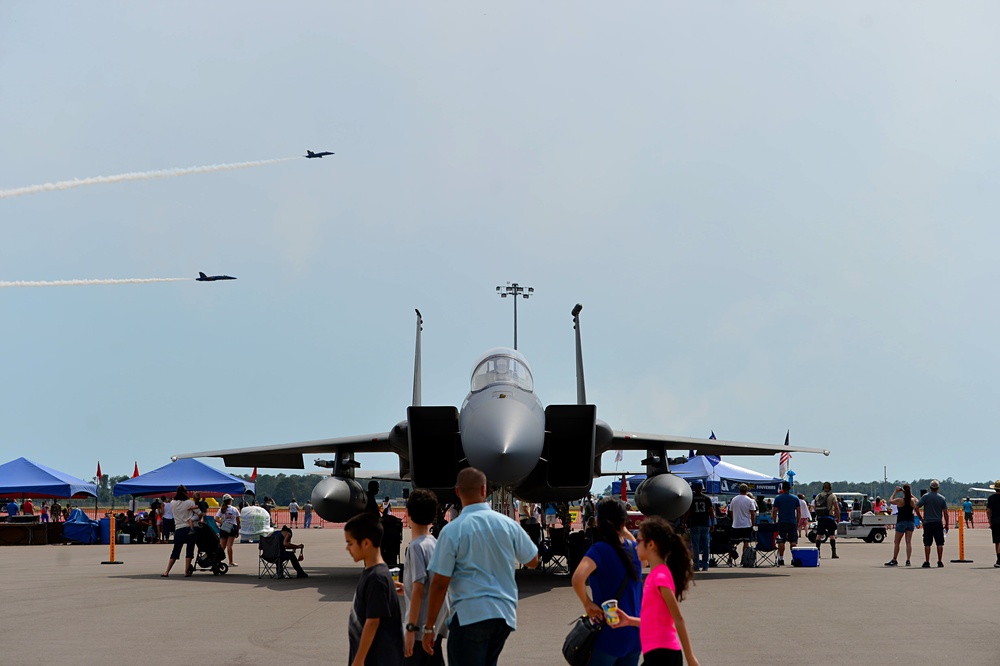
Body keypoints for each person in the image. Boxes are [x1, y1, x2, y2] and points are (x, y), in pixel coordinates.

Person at [423, 467, 539, 665]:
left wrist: (429, 627)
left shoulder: (452, 531)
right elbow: (533, 560)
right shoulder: (508, 524)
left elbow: (440, 583)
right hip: (503, 616)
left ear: (457, 492)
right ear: (485, 490)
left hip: (470, 615)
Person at [614, 516, 699, 666]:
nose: (635, 546)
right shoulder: (655, 575)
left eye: (638, 541)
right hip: (656, 653)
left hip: (664, 654)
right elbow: (656, 620)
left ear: (651, 544)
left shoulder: (660, 577)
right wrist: (629, 620)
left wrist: (691, 658)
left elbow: (678, 619)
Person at [571, 497, 642, 666]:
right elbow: (631, 541)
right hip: (635, 632)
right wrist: (622, 528)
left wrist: (587, 604)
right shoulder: (635, 550)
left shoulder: (599, 550)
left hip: (610, 633)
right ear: (623, 521)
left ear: (599, 522)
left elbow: (578, 578)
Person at [396, 488, 449, 665]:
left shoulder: (415, 547)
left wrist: (410, 629)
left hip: (419, 630)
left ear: (408, 514)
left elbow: (419, 588)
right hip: (436, 626)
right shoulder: (434, 543)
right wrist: (407, 589)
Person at [344, 512, 403, 666]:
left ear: (366, 543)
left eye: (350, 543)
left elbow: (373, 622)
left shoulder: (376, 577)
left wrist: (359, 659)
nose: (347, 548)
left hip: (376, 659)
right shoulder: (373, 573)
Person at [161, 485, 197, 577]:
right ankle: (186, 571)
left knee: (176, 550)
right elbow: (198, 512)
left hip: (178, 528)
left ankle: (167, 571)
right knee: (189, 550)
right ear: (185, 492)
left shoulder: (172, 502)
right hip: (189, 528)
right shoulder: (190, 503)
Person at [915, 479, 949, 568]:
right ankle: (940, 561)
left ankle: (927, 561)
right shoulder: (942, 498)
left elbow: (916, 507)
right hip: (938, 522)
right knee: (940, 543)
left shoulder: (925, 497)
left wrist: (920, 518)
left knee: (927, 543)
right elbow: (945, 512)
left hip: (928, 522)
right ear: (938, 488)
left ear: (930, 488)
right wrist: (947, 524)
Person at [685, 482, 714, 572]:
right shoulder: (707, 498)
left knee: (695, 545)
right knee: (706, 545)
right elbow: (711, 513)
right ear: (702, 488)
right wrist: (712, 524)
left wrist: (684, 522)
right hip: (705, 524)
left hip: (695, 523)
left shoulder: (691, 499)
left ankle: (696, 564)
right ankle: (705, 565)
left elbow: (687, 512)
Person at [885, 484, 917, 567]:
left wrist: (895, 492)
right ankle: (908, 560)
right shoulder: (912, 500)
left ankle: (895, 559)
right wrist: (909, 493)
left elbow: (890, 500)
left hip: (901, 521)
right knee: (908, 542)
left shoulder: (900, 501)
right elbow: (917, 500)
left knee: (897, 542)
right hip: (910, 521)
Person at [771, 481, 801, 566]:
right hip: (792, 522)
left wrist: (774, 521)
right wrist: (798, 521)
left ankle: (781, 558)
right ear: (790, 488)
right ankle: (794, 558)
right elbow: (799, 511)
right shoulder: (795, 498)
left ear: (782, 488)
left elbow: (774, 511)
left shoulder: (778, 498)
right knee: (793, 541)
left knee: (781, 541)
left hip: (782, 522)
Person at [813, 482, 840, 559]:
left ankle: (817, 553)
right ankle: (833, 553)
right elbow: (836, 507)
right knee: (832, 535)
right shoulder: (832, 496)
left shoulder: (818, 495)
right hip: (829, 517)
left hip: (821, 518)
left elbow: (814, 507)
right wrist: (838, 517)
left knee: (819, 536)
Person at [728, 484, 757, 556]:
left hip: (736, 524)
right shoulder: (750, 500)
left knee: (733, 542)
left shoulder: (734, 499)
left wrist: (734, 519)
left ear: (739, 490)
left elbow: (731, 511)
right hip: (746, 524)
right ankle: (744, 558)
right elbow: (753, 514)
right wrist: (753, 525)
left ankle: (730, 558)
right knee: (746, 541)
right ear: (747, 491)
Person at [215, 494, 241, 567]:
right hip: (232, 527)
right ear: (230, 501)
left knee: (222, 546)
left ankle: (218, 560)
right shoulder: (234, 509)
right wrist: (238, 530)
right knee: (229, 546)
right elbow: (238, 520)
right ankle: (231, 561)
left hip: (224, 528)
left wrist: (222, 522)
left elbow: (216, 518)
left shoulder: (221, 509)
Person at [987, 480, 1000, 568]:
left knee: (997, 541)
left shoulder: (991, 498)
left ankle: (999, 559)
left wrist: (990, 522)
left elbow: (988, 511)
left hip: (995, 521)